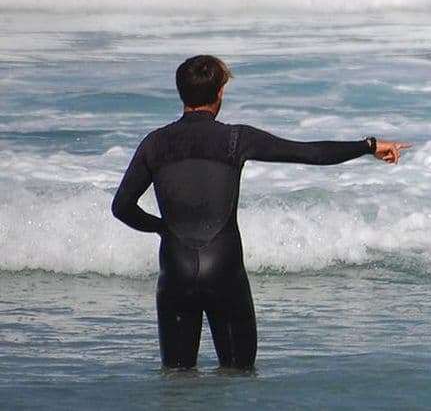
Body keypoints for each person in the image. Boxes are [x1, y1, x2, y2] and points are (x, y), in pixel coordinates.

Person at [111, 54, 411, 370]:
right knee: (238, 374)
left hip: (176, 268)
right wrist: (367, 145)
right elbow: (310, 154)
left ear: (181, 93)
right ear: (220, 94)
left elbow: (121, 207)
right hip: (224, 269)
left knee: (177, 381)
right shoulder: (235, 138)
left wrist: (163, 229)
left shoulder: (154, 143)